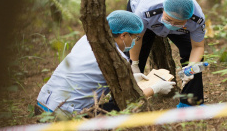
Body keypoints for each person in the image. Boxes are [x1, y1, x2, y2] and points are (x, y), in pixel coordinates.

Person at [36, 10, 175, 115]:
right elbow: (131, 98)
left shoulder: (88, 38)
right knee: (122, 109)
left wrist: (131, 77)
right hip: (62, 114)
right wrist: (156, 88)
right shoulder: (116, 57)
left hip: (42, 102)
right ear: (124, 35)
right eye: (135, 37)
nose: (134, 41)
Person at [126, 0, 206, 108]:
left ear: (188, 19)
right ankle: (130, 101)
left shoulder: (197, 19)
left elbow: (198, 47)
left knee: (192, 55)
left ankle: (190, 103)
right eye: (168, 19)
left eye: (177, 23)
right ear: (163, 9)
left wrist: (191, 69)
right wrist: (134, 64)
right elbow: (136, 38)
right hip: (146, 16)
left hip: (176, 21)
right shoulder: (144, 11)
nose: (171, 25)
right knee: (133, 56)